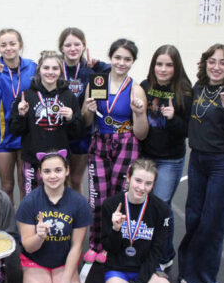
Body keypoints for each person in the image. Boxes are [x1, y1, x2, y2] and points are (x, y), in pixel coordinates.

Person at [178, 44, 224, 283]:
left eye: (223, 62)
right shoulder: (198, 88)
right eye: (212, 61)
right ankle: (189, 268)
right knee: (194, 217)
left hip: (222, 164)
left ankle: (204, 276)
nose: (216, 67)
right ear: (205, 63)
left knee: (211, 221)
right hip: (198, 161)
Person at [82, 38, 148, 264]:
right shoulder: (98, 82)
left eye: (127, 59)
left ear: (133, 62)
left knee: (119, 196)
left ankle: (113, 244)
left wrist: (138, 114)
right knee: (96, 196)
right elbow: (85, 120)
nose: (121, 63)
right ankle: (95, 243)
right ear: (110, 58)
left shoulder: (135, 89)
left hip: (127, 144)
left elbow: (141, 133)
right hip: (100, 142)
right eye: (117, 57)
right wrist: (89, 110)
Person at [101, 159, 183, 283]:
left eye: (148, 183)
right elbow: (110, 249)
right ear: (129, 178)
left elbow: (157, 252)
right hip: (119, 267)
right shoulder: (111, 205)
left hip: (147, 267)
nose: (141, 187)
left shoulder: (161, 209)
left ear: (153, 185)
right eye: (138, 180)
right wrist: (116, 229)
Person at [16, 151, 92, 283]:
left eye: (58, 170)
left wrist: (66, 280)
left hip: (64, 264)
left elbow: (77, 246)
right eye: (47, 171)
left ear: (67, 170)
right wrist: (39, 236)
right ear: (40, 173)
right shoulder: (29, 202)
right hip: (36, 262)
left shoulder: (79, 203)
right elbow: (29, 247)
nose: (52, 176)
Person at [139, 45, 192, 270]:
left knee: (161, 206)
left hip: (170, 159)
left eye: (168, 65)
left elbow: (188, 130)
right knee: (143, 204)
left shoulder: (185, 92)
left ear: (176, 67)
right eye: (159, 64)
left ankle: (164, 253)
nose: (163, 69)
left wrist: (172, 118)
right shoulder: (144, 86)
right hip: (145, 157)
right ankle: (147, 248)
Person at [9, 51, 84, 194]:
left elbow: (77, 132)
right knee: (31, 201)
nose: (50, 72)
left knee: (58, 199)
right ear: (39, 70)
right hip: (32, 158)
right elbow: (15, 130)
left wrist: (71, 118)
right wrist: (21, 115)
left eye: (55, 68)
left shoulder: (68, 96)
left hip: (59, 160)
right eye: (46, 68)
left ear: (61, 71)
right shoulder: (27, 96)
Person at [0, 28, 37, 203]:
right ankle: (8, 227)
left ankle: (25, 226)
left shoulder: (32, 67)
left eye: (12, 43)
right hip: (3, 133)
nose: (8, 48)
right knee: (6, 185)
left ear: (20, 45)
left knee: (25, 184)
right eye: (3, 45)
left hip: (26, 132)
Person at [58, 27, 111, 194]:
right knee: (60, 180)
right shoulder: (54, 70)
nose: (73, 48)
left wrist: (99, 64)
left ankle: (78, 217)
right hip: (58, 132)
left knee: (75, 180)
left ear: (84, 46)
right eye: (68, 45)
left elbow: (114, 69)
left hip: (82, 134)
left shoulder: (91, 72)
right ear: (61, 48)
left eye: (77, 44)